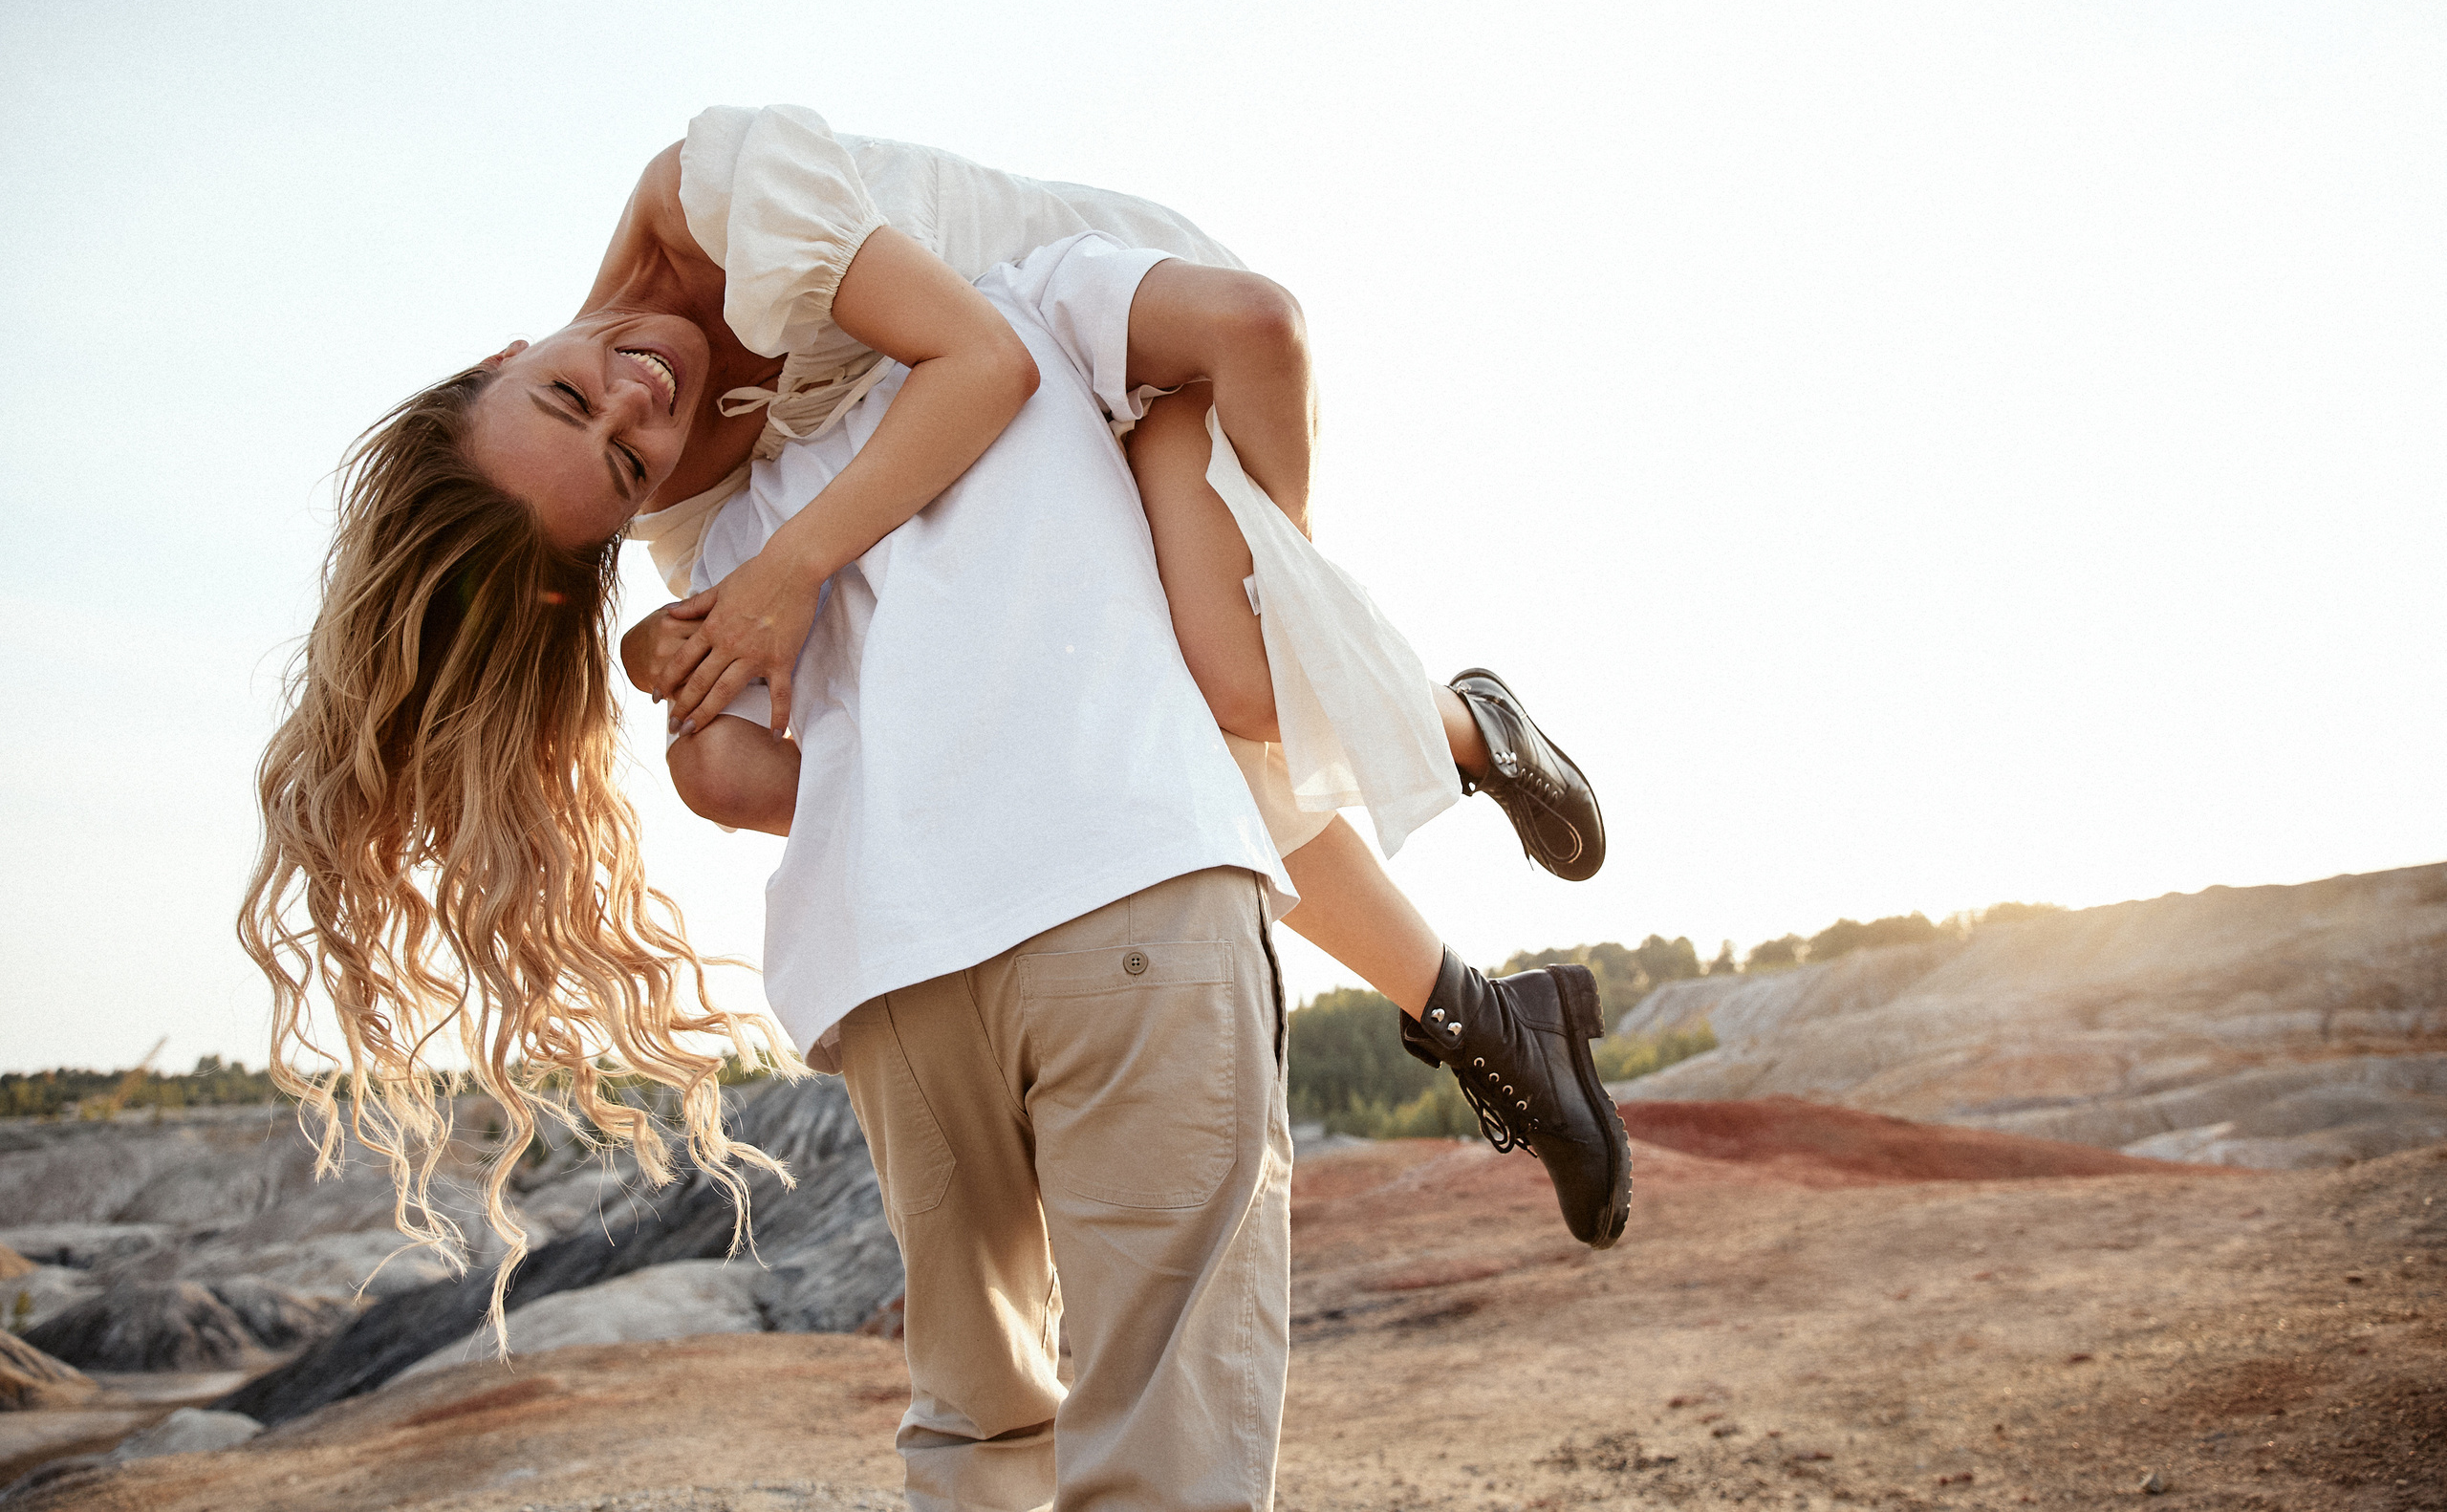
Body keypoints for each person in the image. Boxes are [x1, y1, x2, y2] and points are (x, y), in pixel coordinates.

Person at [239, 104, 1626, 1328]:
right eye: (618, 462)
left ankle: (1466, 730)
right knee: (1160, 736)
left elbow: (983, 361)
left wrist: (785, 578)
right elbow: (816, 745)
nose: (633, 401)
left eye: (564, 386)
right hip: (1022, 500)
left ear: (499, 352)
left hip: (1111, 345)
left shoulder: (712, 189)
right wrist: (694, 687)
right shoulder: (688, 511)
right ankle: (1490, 1018)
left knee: (1231, 688)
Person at [655, 227, 1622, 1501]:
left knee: (974, 1432)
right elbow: (1260, 329)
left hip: (897, 970)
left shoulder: (752, 520)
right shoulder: (1037, 301)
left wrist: (903, 784)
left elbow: (715, 771)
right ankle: (1483, 940)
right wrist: (1280, 583)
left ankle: (1486, 984)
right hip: (1129, 897)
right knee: (1169, 1437)